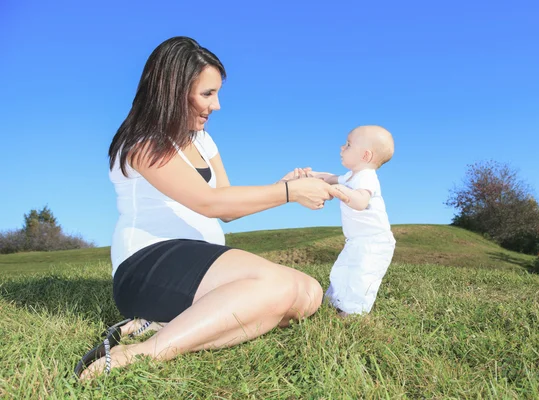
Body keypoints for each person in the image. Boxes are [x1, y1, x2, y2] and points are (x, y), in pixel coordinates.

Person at [75, 36, 347, 379]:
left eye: (216, 94)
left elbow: (227, 205)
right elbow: (208, 202)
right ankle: (145, 352)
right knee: (278, 287)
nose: (216, 106)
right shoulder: (142, 144)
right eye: (207, 94)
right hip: (148, 267)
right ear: (172, 91)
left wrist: (281, 187)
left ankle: (164, 324)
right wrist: (290, 193)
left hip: (200, 260)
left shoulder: (202, 141)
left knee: (309, 293)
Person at [311, 125, 396, 317]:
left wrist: (338, 191)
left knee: (362, 275)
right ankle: (334, 304)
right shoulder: (351, 176)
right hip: (357, 239)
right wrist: (314, 176)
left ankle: (353, 313)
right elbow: (331, 178)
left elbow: (359, 202)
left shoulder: (367, 177)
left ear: (365, 156)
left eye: (348, 145)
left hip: (374, 241)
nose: (342, 148)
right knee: (343, 270)